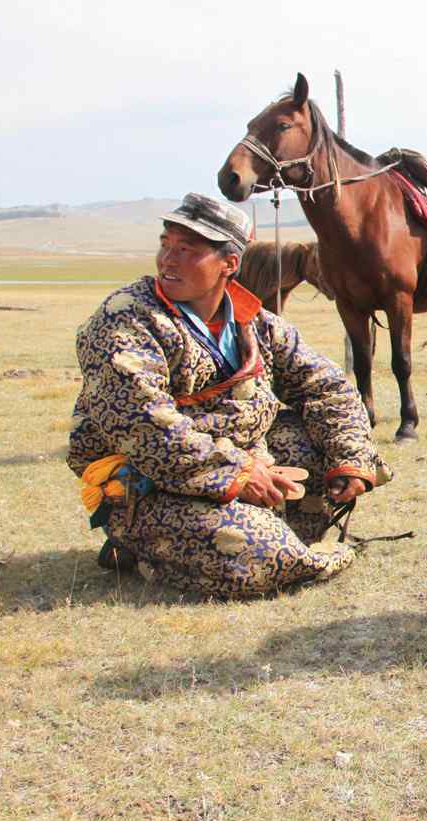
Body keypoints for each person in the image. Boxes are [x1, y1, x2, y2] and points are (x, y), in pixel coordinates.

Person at [69, 193, 391, 598]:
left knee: (327, 451)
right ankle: (140, 541)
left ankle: (231, 535)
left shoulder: (254, 322)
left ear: (230, 264)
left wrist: (349, 459)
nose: (168, 259)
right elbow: (142, 424)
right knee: (255, 552)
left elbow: (327, 388)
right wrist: (237, 471)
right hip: (154, 478)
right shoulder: (125, 319)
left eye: (187, 250)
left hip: (238, 463)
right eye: (166, 245)